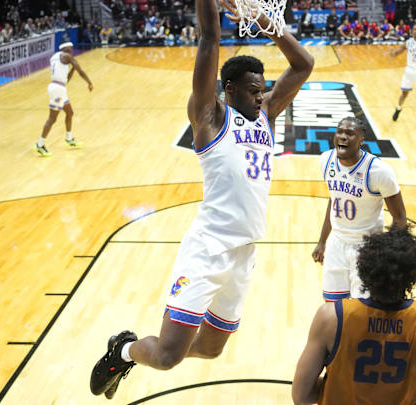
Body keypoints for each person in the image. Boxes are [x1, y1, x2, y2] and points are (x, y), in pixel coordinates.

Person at [88, 0, 314, 399]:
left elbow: (304, 65)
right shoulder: (210, 117)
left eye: (264, 90)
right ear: (229, 90)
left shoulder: (265, 115)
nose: (262, 97)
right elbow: (210, 36)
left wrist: (268, 22)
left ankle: (133, 348)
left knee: (210, 349)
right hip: (209, 248)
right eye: (253, 90)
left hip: (244, 253)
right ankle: (122, 351)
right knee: (168, 355)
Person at [292, 227, 416, 405]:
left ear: (364, 269)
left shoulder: (331, 317)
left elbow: (301, 396)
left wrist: (337, 387)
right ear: (414, 274)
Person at [312, 117, 406, 302]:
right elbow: (335, 199)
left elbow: (400, 217)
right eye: (340, 131)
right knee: (333, 307)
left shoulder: (379, 171)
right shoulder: (326, 160)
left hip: (367, 247)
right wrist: (322, 241)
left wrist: (391, 255)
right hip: (337, 243)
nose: (343, 136)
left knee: (363, 310)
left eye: (350, 133)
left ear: (361, 139)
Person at [35, 43, 93, 157]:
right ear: (65, 49)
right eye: (70, 48)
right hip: (58, 90)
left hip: (59, 87)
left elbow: (66, 80)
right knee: (52, 118)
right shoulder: (67, 56)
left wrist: (72, 70)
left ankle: (69, 139)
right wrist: (89, 82)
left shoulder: (55, 57)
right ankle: (40, 144)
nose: (72, 50)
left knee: (70, 112)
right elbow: (81, 71)